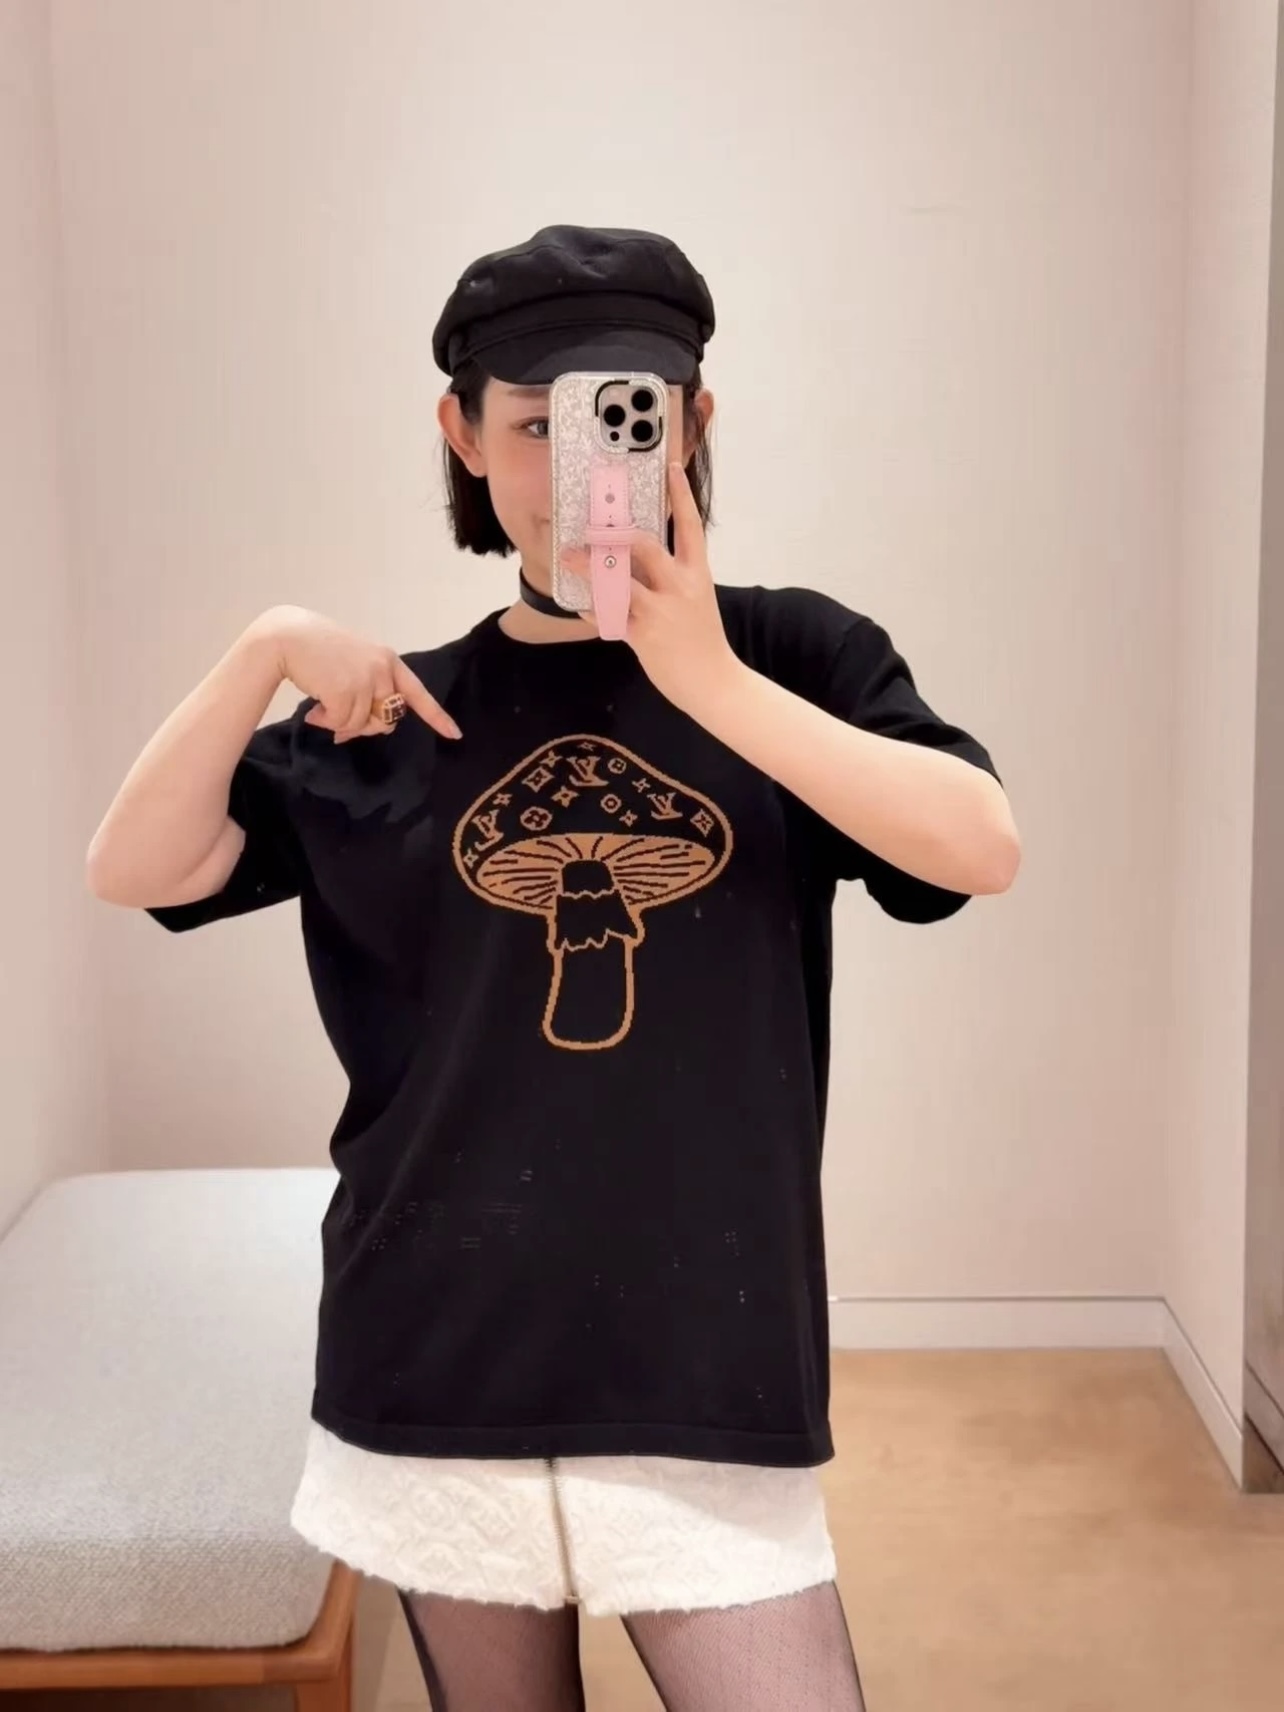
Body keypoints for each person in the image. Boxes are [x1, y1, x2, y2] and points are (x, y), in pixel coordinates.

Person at [87, 225, 1020, 1712]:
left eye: (625, 418)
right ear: (461, 433)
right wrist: (263, 647)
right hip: (436, 1346)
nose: (579, 469)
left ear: (692, 424)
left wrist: (703, 678)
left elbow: (976, 845)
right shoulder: (406, 714)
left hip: (707, 1357)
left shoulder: (793, 657)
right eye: (532, 423)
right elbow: (138, 866)